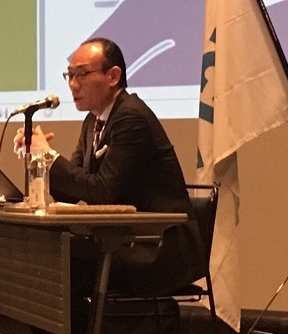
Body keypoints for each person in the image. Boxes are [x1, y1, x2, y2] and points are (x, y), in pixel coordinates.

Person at [13, 37, 206, 333]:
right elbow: (74, 189)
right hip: (124, 239)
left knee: (57, 263)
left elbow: (102, 191)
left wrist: (49, 156)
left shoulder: (131, 116)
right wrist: (38, 157)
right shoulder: (93, 122)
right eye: (69, 75)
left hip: (158, 246)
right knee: (48, 259)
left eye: (82, 74)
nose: (73, 84)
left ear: (113, 76)